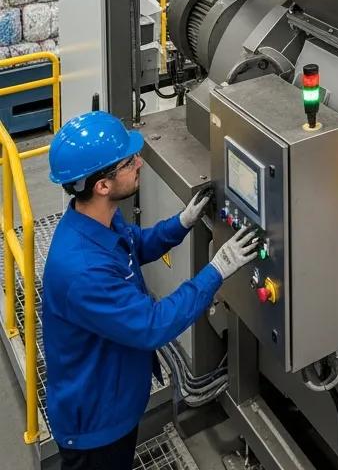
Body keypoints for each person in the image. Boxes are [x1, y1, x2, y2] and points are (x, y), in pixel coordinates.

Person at [42, 111, 259, 470]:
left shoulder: (96, 219)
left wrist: (182, 223)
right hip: (96, 426)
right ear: (103, 185)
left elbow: (135, 246)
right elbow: (153, 325)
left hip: (114, 397)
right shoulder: (81, 271)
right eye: (129, 161)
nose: (140, 163)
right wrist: (217, 269)